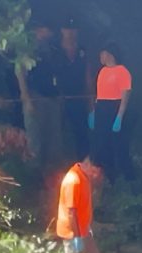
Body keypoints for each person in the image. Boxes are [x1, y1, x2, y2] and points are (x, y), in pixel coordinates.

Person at [16, 21, 63, 174]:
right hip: (34, 97)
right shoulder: (27, 48)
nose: (48, 33)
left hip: (52, 97)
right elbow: (20, 71)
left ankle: (51, 177)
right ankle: (33, 177)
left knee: (53, 138)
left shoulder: (53, 48)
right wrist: (26, 98)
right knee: (34, 140)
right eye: (45, 29)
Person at [55, 155, 102, 253]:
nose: (96, 175)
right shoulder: (73, 181)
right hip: (72, 232)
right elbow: (71, 212)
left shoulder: (84, 176)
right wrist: (77, 238)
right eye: (95, 171)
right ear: (87, 164)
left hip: (83, 229)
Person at [89, 43, 134, 182]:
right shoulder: (102, 71)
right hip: (101, 107)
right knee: (101, 143)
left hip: (114, 107)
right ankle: (107, 176)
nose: (100, 57)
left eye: (102, 53)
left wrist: (120, 116)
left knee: (118, 144)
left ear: (108, 54)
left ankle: (126, 176)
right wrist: (93, 112)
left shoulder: (122, 71)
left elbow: (125, 94)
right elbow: (99, 93)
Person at [54, 17, 92, 160]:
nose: (70, 33)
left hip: (79, 97)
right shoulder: (55, 50)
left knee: (81, 133)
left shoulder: (82, 50)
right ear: (62, 31)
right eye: (67, 29)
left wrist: (89, 99)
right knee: (59, 133)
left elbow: (87, 75)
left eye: (73, 29)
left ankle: (84, 164)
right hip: (58, 98)